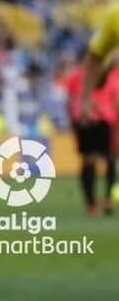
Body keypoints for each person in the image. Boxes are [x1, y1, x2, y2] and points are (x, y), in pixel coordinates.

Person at [62, 59, 119, 215]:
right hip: (95, 120)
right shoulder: (109, 73)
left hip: (97, 120)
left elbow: (71, 100)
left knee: (101, 160)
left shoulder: (79, 74)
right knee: (102, 159)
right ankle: (97, 202)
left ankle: (98, 202)